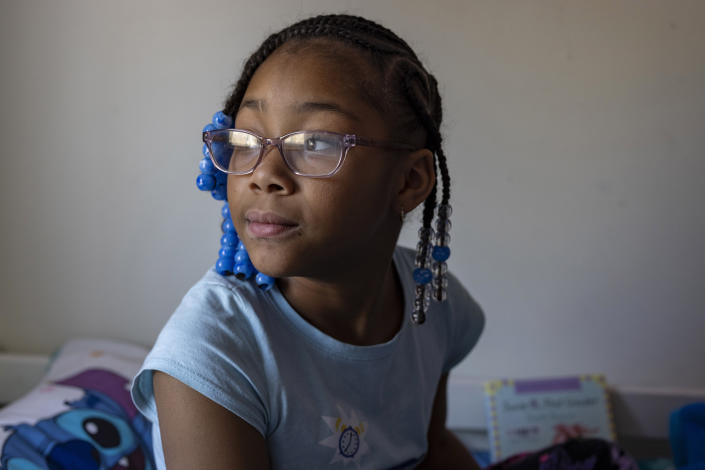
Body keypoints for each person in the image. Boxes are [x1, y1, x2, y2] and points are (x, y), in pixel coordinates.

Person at [131, 13, 485, 469]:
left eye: (315, 143)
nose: (265, 175)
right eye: (247, 140)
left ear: (410, 179)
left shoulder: (435, 302)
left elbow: (431, 450)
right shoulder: (211, 352)